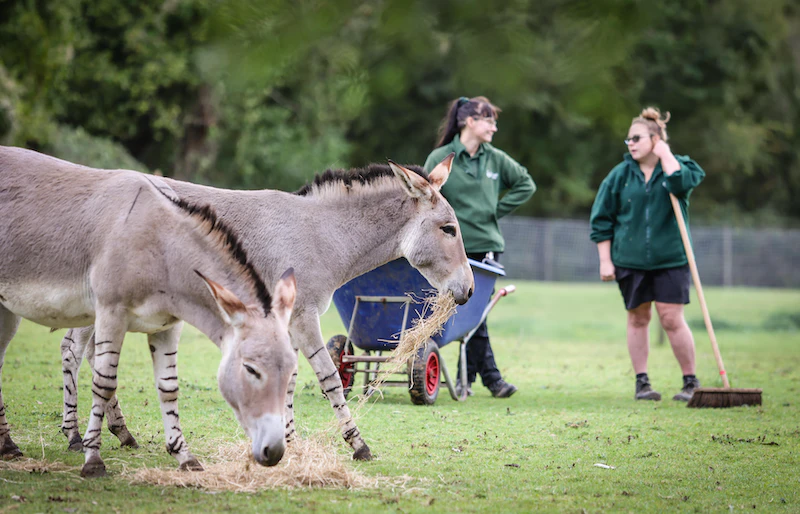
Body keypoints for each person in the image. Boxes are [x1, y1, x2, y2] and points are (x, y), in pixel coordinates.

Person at [589, 107, 706, 402]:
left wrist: (666, 155)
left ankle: (690, 382)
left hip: (672, 259)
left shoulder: (679, 166)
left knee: (671, 318)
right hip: (630, 261)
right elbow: (601, 219)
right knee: (638, 318)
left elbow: (681, 184)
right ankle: (642, 383)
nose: (630, 143)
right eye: (628, 139)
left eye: (637, 138)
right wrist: (605, 260)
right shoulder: (620, 175)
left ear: (655, 139)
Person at [424, 96, 535, 398]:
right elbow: (424, 200)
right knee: (470, 316)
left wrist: (494, 211)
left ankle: (476, 379)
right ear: (469, 121)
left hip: (485, 247)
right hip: (449, 250)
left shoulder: (495, 159)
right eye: (488, 120)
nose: (494, 127)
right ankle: (485, 379)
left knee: (476, 315)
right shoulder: (441, 156)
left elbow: (526, 183)